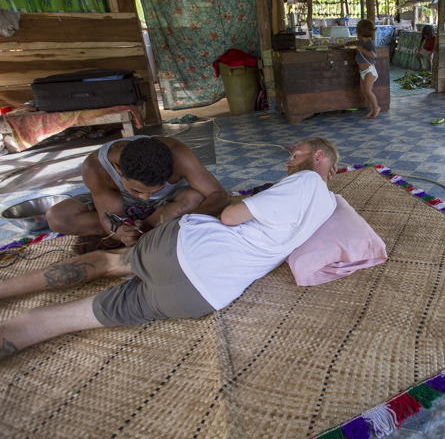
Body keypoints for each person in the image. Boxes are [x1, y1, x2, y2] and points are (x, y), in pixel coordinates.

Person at [0, 138, 340, 359]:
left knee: (107, 262)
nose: (289, 164)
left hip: (180, 246)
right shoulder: (329, 203)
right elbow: (109, 213)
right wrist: (119, 229)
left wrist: (157, 222)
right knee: (48, 321)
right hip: (201, 296)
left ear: (319, 157)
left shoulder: (306, 179)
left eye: (294, 156)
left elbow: (230, 212)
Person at [46, 135, 230, 248]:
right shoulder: (96, 167)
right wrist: (120, 231)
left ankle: (126, 236)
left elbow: (219, 195)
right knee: (58, 217)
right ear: (118, 169)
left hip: (169, 204)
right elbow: (110, 215)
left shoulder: (178, 154)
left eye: (153, 190)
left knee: (194, 198)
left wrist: (191, 221)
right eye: (137, 190)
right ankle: (142, 235)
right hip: (122, 204)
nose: (145, 197)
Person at [355, 19, 381, 119]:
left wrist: (362, 49)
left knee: (368, 91)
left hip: (369, 71)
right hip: (362, 72)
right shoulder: (360, 42)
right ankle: (370, 108)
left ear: (361, 33)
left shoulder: (370, 43)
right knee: (363, 91)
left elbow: (373, 55)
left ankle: (376, 107)